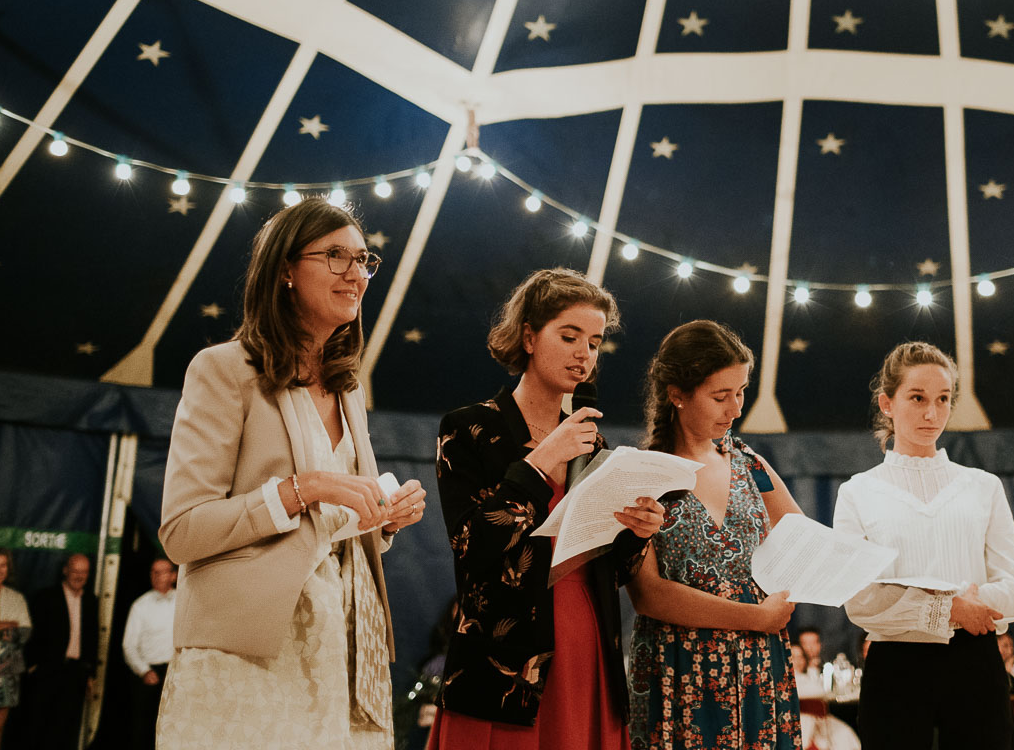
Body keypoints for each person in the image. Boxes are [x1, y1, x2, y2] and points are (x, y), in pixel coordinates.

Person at [154, 198, 426, 749]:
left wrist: (382, 520)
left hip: (345, 650)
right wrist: (305, 489)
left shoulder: (350, 389)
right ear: (283, 270)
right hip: (247, 658)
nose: (356, 274)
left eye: (363, 259)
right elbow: (183, 531)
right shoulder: (223, 369)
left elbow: (331, 533)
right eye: (334, 256)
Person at [429, 267, 664, 749]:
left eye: (595, 343)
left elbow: (609, 568)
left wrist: (636, 535)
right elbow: (471, 547)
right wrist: (539, 463)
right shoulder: (469, 428)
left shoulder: (592, 442)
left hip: (587, 642)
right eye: (570, 335)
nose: (584, 354)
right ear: (530, 337)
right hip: (503, 658)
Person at [833, 342, 1014, 750]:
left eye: (943, 399)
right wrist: (952, 607)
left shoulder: (983, 486)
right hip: (894, 666)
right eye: (917, 398)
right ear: (887, 403)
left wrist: (951, 607)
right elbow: (858, 600)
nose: (931, 413)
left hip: (976, 662)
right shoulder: (858, 492)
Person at [627, 320, 803, 750]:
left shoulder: (748, 461)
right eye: (721, 396)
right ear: (677, 395)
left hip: (759, 666)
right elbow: (648, 594)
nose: (736, 408)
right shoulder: (642, 473)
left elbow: (805, 541)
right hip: (680, 667)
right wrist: (757, 617)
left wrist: (790, 593)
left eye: (741, 391)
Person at [23, 553, 97, 750]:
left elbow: (92, 639)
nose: (79, 576)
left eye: (84, 572)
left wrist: (90, 674)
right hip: (47, 672)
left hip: (75, 675)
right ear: (65, 570)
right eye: (75, 570)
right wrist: (33, 666)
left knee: (66, 730)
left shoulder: (91, 601)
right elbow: (31, 634)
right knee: (37, 728)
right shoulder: (45, 597)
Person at [120, 558, 177, 750]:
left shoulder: (184, 602)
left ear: (174, 575)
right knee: (144, 729)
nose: (157, 576)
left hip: (175, 674)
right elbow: (128, 645)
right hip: (149, 674)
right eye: (154, 572)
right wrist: (144, 671)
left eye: (162, 572)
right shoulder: (140, 605)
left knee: (172, 727)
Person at [0, 549, 30, 750]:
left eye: (3, 565)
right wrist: (7, 624)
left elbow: (24, 633)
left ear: (8, 569)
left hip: (6, 668)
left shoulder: (17, 598)